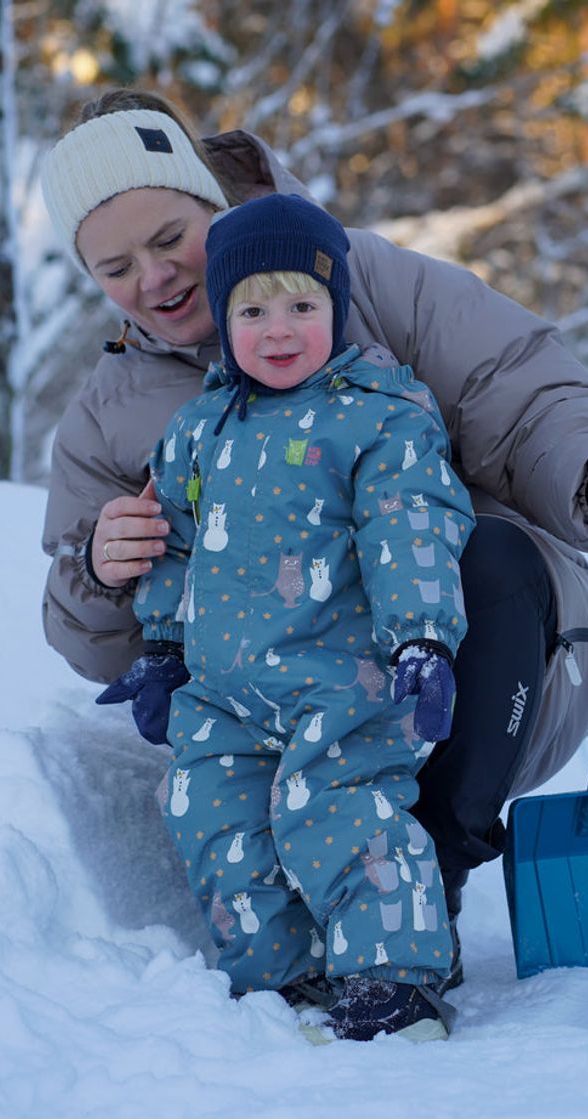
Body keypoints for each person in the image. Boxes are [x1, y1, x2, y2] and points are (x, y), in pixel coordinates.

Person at [38, 90, 588, 1012]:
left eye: (170, 237)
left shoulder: (363, 283)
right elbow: (90, 631)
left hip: (475, 663)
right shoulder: (109, 417)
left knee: (488, 558)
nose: (155, 276)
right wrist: (102, 570)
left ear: (211, 202)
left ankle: (429, 876)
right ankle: (292, 939)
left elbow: (519, 390)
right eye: (115, 267)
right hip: (277, 709)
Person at [94, 192, 477, 1040]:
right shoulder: (198, 429)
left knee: (340, 812)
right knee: (211, 815)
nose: (277, 331)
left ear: (335, 310)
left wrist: (422, 638)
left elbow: (409, 527)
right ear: (223, 320)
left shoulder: (379, 417)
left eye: (301, 307)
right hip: (225, 690)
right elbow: (173, 542)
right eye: (252, 311)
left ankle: (394, 978)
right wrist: (162, 647)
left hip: (343, 680)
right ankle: (283, 975)